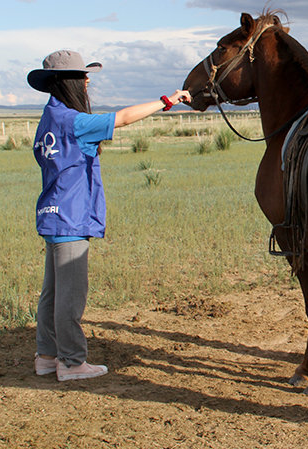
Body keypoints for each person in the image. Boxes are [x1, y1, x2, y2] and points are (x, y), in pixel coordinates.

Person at [27, 49, 189, 381]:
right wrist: (167, 100)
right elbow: (124, 118)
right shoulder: (74, 122)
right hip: (71, 218)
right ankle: (71, 363)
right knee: (70, 297)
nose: (87, 81)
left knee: (52, 293)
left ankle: (46, 357)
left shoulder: (49, 118)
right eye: (82, 76)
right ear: (67, 82)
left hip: (52, 214)